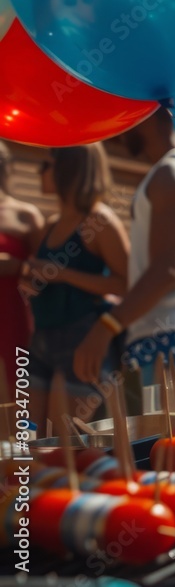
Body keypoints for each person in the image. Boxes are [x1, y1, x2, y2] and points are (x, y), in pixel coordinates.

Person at [73, 107, 175, 388]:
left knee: (173, 432)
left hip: (173, 338)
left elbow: (165, 272)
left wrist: (106, 327)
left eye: (125, 117)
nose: (119, 130)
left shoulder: (170, 174)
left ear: (145, 116)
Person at [19, 144, 129, 433]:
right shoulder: (51, 224)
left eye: (45, 165)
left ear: (68, 170)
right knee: (26, 441)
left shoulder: (99, 221)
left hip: (82, 341)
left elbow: (126, 284)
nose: (38, 171)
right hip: (41, 339)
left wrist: (64, 274)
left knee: (61, 443)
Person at [0, 142, 44, 426]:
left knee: (19, 401)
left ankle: (21, 469)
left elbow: (49, 274)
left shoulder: (24, 214)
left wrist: (19, 267)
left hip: (14, 317)